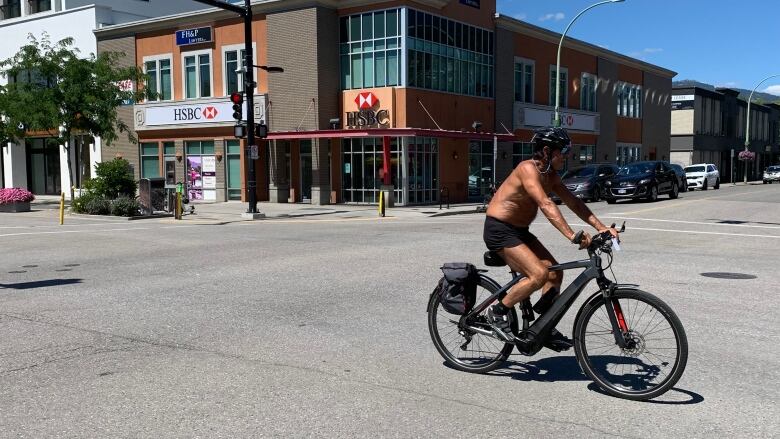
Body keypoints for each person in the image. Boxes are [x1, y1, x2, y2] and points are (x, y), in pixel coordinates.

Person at [483, 126, 619, 351]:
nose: (566, 156)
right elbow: (545, 204)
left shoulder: (552, 176)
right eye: (563, 151)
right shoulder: (527, 169)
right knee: (538, 274)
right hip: (499, 229)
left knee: (555, 273)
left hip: (519, 231)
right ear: (547, 151)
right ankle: (496, 312)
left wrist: (602, 227)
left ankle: (543, 327)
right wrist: (572, 235)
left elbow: (574, 202)